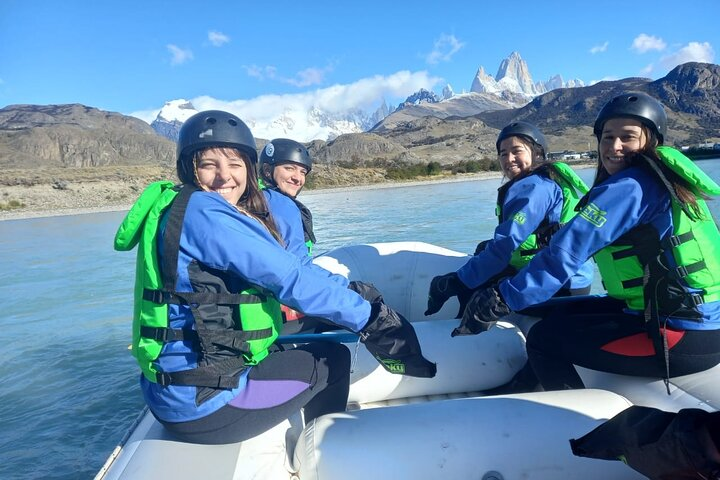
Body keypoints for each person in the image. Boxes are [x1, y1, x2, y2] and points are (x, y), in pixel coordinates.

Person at [114, 110, 436, 445]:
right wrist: (373, 319)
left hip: (174, 391)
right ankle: (329, 454)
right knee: (336, 359)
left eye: (235, 164)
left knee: (287, 349)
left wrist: (349, 293)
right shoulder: (206, 213)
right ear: (189, 168)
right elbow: (291, 277)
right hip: (207, 404)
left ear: (249, 171)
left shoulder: (177, 205)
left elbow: (285, 269)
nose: (225, 176)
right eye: (209, 164)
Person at [451, 92, 720, 393]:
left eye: (627, 137)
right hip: (656, 311)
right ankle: (520, 387)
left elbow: (564, 253)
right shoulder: (654, 179)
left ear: (651, 141)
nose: (614, 147)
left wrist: (501, 299)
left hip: (680, 332)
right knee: (550, 312)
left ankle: (570, 422)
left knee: (543, 340)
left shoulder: (631, 187)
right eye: (607, 137)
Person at [425, 121, 594, 320]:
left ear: (536, 153)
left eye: (516, 151)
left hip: (559, 288)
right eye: (503, 153)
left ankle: (462, 330)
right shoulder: (546, 179)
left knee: (480, 282)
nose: (509, 159)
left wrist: (456, 281)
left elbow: (505, 245)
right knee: (483, 249)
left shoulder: (534, 188)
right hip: (572, 279)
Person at [259, 138, 316, 256]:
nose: (298, 178)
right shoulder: (282, 205)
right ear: (267, 170)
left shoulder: (254, 197)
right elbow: (298, 263)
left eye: (303, 172)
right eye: (289, 168)